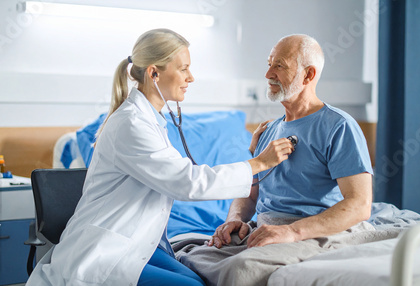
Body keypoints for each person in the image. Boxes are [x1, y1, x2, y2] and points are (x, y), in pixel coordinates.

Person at [25, 29, 294, 286]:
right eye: (184, 68)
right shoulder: (131, 125)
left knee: (196, 279)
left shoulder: (152, 120)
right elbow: (186, 182)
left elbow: (178, 174)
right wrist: (259, 162)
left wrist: (250, 158)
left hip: (137, 242)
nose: (191, 78)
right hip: (104, 253)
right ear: (154, 73)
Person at [178, 34, 375, 285]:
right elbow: (250, 194)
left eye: (279, 65)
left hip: (313, 231)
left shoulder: (339, 127)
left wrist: (291, 232)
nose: (268, 73)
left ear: (308, 75)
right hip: (266, 229)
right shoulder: (268, 131)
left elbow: (360, 205)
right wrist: (235, 220)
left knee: (241, 269)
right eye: (269, 64)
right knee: (189, 255)